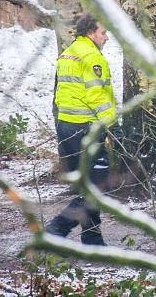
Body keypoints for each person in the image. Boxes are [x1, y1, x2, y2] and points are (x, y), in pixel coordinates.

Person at [46, 14, 122, 245]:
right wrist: (113, 126)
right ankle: (57, 230)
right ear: (91, 32)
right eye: (103, 33)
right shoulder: (91, 56)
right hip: (85, 128)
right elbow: (97, 95)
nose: (107, 38)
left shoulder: (68, 52)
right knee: (97, 184)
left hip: (66, 126)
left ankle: (92, 238)